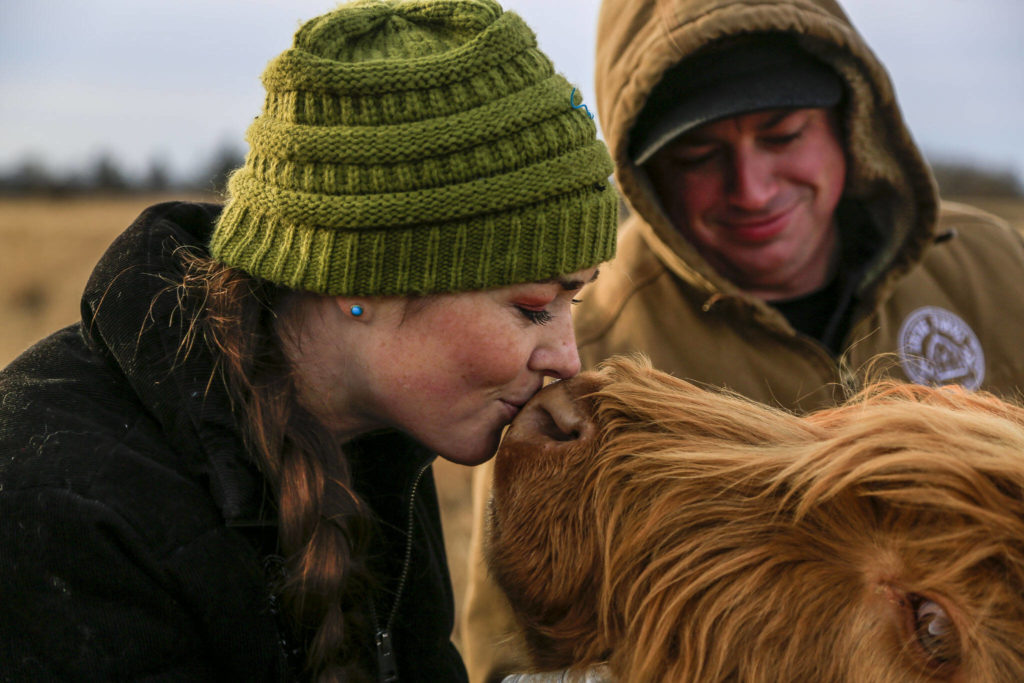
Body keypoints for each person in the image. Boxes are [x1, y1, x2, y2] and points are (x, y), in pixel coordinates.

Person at [0, 1, 618, 681]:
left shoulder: (373, 438)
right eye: (533, 306)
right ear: (368, 280)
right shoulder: (61, 507)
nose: (569, 358)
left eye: (575, 298)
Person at [460, 0, 1024, 680]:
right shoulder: (582, 348)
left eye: (784, 135)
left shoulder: (996, 264)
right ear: (646, 175)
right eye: (698, 154)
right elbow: (512, 654)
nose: (752, 189)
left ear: (851, 123)